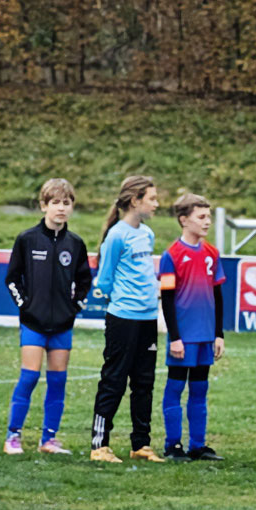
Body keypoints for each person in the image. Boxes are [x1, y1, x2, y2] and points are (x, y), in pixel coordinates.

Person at [3, 178, 91, 455]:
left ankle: (48, 440)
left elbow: (85, 281)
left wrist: (75, 306)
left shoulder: (76, 244)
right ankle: (13, 436)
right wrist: (25, 305)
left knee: (58, 381)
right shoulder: (27, 239)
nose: (61, 208)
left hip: (62, 325)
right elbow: (12, 278)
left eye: (66, 203)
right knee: (29, 377)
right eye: (55, 203)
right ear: (43, 206)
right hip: (33, 323)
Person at [89, 175, 165, 464]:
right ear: (135, 201)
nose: (156, 204)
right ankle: (99, 445)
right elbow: (104, 279)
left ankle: (140, 444)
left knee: (144, 382)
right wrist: (123, 299)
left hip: (148, 319)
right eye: (152, 199)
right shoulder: (116, 236)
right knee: (114, 379)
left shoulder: (147, 234)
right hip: (123, 319)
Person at [159, 194, 226, 462]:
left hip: (205, 336)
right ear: (184, 220)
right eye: (201, 217)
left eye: (208, 216)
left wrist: (218, 334)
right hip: (183, 337)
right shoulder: (171, 255)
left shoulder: (212, 253)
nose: (207, 221)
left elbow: (218, 296)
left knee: (200, 390)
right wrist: (174, 337)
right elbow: (166, 299)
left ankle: (198, 445)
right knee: (175, 388)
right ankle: (172, 445)